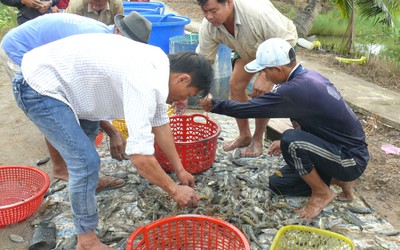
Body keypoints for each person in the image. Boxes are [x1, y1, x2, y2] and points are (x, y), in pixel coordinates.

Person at [15, 33, 213, 249]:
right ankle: (86, 240)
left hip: (73, 90)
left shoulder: (159, 65)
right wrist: (174, 189)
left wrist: (180, 170)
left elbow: (161, 124)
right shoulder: (146, 80)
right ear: (182, 78)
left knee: (86, 158)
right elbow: (139, 156)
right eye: (187, 94)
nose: (183, 101)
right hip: (39, 87)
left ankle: (87, 185)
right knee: (85, 163)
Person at [200, 38, 369, 219]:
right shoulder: (308, 77)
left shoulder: (297, 88)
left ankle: (322, 193)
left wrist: (214, 104)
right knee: (279, 184)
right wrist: (289, 141)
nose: (263, 75)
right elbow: (321, 124)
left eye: (265, 71)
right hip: (334, 150)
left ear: (278, 69)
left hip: (350, 158)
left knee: (292, 141)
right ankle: (340, 179)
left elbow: (248, 108)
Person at [0, 12, 152, 191]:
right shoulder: (95, 43)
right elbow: (68, 97)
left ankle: (79, 166)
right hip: (20, 49)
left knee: (67, 113)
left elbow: (89, 96)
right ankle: (61, 169)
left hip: (39, 47)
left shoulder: (108, 39)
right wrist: (112, 131)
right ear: (117, 30)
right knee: (52, 108)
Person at [196, 0, 298, 158]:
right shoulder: (208, 26)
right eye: (205, 11)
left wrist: (266, 77)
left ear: (229, 3)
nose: (209, 16)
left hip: (279, 45)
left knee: (261, 91)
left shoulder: (257, 14)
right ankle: (244, 136)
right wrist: (199, 91)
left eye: (214, 10)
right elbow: (203, 61)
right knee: (235, 85)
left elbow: (287, 39)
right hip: (247, 47)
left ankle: (257, 140)